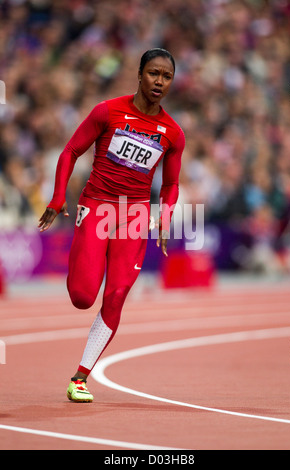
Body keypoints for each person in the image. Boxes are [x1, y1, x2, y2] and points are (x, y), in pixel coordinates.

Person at [38, 48, 185, 403]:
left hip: (134, 216)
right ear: (139, 74)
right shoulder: (108, 111)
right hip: (97, 207)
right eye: (153, 73)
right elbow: (70, 151)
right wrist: (59, 199)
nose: (159, 82)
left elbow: (170, 185)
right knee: (82, 297)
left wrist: (164, 218)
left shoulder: (173, 134)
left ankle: (81, 377)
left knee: (117, 294)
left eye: (166, 77)